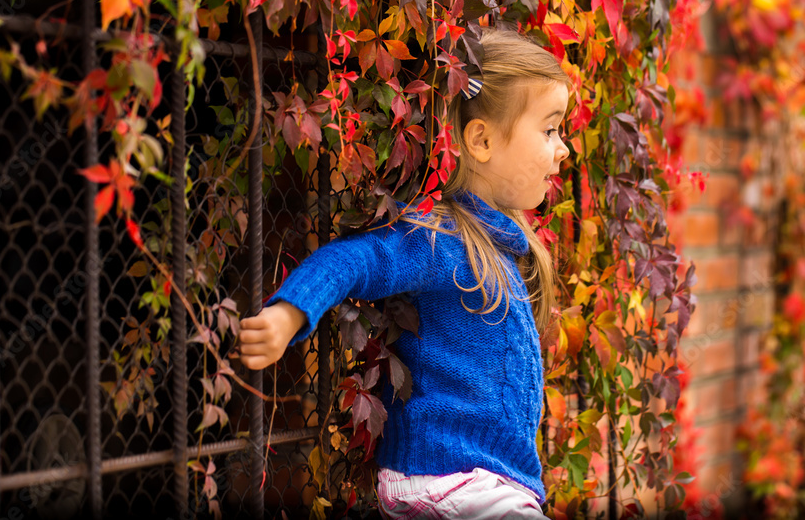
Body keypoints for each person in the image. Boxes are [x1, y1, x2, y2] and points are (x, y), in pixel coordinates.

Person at [237, 28, 571, 519]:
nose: (562, 148)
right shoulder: (443, 242)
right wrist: (290, 311)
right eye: (549, 130)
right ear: (481, 140)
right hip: (458, 482)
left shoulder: (494, 249)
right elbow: (358, 259)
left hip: (475, 485)